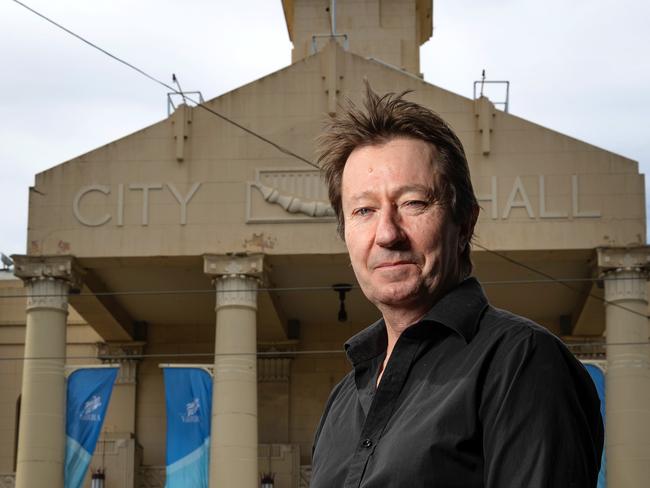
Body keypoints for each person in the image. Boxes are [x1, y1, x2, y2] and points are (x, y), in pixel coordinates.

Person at [310, 84, 604, 488]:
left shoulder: (521, 362)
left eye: (413, 202)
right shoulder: (343, 399)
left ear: (464, 223)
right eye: (364, 210)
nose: (387, 233)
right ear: (346, 235)